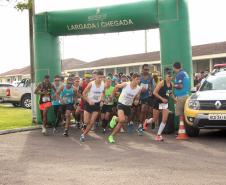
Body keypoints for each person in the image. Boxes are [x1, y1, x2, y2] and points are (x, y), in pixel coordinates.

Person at [108, 73, 141, 143]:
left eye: (139, 79)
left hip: (128, 106)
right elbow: (116, 86)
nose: (138, 81)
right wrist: (112, 96)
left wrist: (136, 101)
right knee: (122, 120)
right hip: (121, 104)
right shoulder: (126, 84)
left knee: (123, 121)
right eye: (137, 79)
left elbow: (137, 97)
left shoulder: (138, 88)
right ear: (133, 79)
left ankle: (114, 120)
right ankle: (111, 135)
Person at [143, 70, 176, 141]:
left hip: (164, 103)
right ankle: (147, 121)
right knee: (155, 119)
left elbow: (170, 93)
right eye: (168, 76)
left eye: (171, 76)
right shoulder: (161, 83)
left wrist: (174, 99)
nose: (170, 78)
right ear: (165, 76)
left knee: (164, 119)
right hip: (157, 102)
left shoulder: (171, 84)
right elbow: (154, 92)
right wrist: (162, 98)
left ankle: (158, 135)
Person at [80, 70, 105, 142]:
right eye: (99, 77)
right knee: (86, 121)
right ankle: (84, 125)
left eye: (102, 78)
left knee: (92, 122)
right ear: (96, 77)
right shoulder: (91, 84)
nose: (100, 79)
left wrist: (102, 101)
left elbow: (103, 93)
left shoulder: (103, 84)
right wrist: (88, 101)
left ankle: (83, 135)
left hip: (96, 105)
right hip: (88, 104)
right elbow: (83, 94)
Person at [172, 62, 190, 136]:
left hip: (181, 97)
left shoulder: (180, 74)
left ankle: (181, 130)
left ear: (174, 67)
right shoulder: (185, 73)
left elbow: (180, 86)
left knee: (180, 114)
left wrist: (173, 85)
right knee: (184, 114)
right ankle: (184, 130)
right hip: (186, 95)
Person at [138, 64, 154, 135]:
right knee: (142, 110)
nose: (147, 71)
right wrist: (140, 89)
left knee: (148, 110)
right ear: (142, 69)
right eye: (145, 69)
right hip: (140, 96)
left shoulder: (151, 77)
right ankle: (140, 124)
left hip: (149, 96)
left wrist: (151, 91)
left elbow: (152, 86)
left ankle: (145, 123)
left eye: (148, 69)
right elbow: (135, 85)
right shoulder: (139, 76)